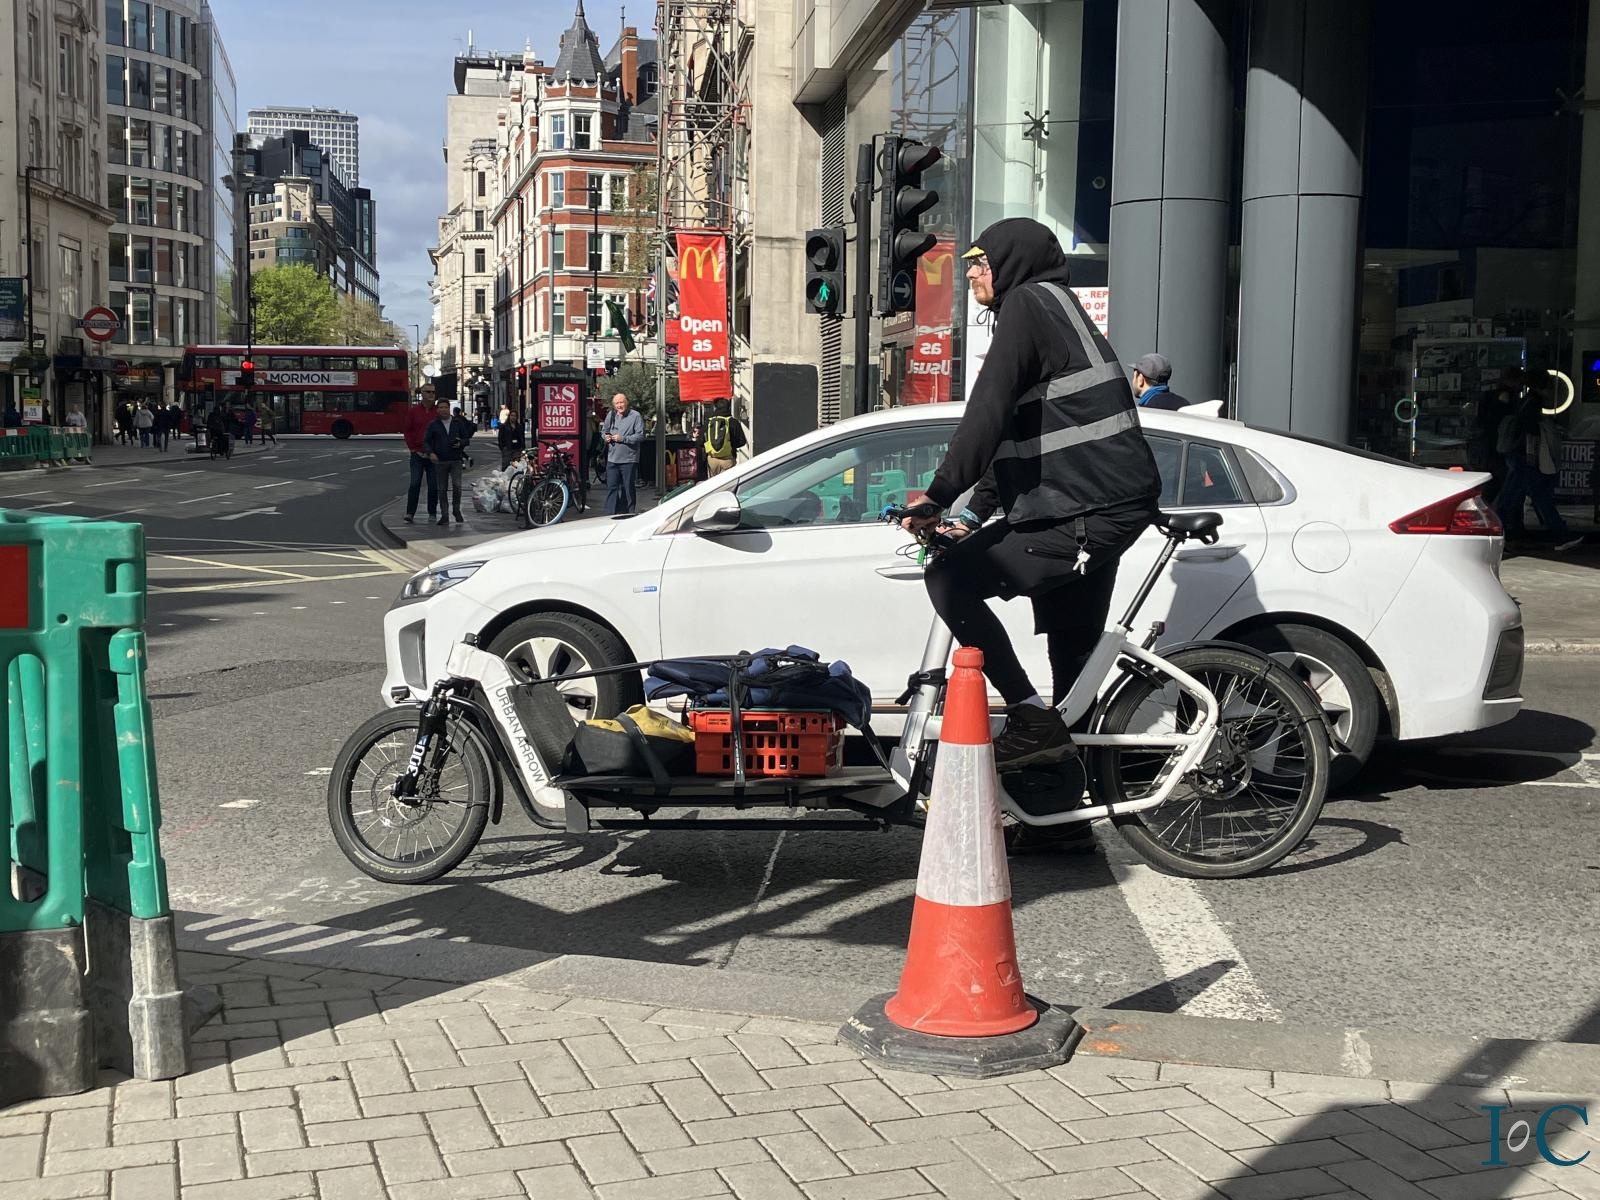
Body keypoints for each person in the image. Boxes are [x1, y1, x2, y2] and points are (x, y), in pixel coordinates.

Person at [902, 217, 1162, 768]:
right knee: (1072, 658)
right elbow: (1015, 439)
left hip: (1084, 509)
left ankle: (1026, 714)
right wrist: (971, 516)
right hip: (1093, 504)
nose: (971, 273)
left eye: (980, 261)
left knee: (948, 578)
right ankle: (1071, 798)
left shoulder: (1028, 303)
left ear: (1011, 263)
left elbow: (987, 411)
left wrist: (937, 494)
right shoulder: (1052, 307)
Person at [426, 401, 476, 525]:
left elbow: (466, 439)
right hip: (440, 460)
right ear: (437, 410)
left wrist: (460, 443)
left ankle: (456, 510)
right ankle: (445, 515)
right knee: (442, 489)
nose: (443, 410)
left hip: (455, 460)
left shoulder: (457, 423)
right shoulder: (433, 424)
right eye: (441, 407)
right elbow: (426, 441)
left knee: (457, 486)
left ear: (449, 408)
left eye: (445, 407)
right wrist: (430, 453)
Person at [601, 392, 645, 515]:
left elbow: (641, 436)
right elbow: (604, 431)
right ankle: (611, 515)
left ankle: (628, 513)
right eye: (617, 403)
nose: (619, 405)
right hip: (612, 459)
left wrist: (623, 439)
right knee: (612, 488)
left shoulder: (635, 416)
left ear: (626, 402)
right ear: (614, 405)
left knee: (628, 488)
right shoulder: (611, 415)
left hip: (629, 460)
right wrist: (606, 437)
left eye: (621, 402)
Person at [403, 388, 440, 524]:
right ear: (422, 394)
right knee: (415, 483)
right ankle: (410, 513)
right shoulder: (413, 411)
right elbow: (407, 431)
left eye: (433, 392)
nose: (431, 394)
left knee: (433, 485)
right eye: (428, 392)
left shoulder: (438, 412)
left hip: (433, 455)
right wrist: (413, 449)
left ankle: (432, 513)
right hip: (417, 454)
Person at [703, 401, 746, 476]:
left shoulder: (708, 422)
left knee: (715, 482)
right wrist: (730, 445)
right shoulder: (733, 422)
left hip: (712, 459)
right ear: (728, 407)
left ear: (715, 408)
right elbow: (742, 441)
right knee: (729, 481)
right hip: (728, 459)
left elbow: (701, 441)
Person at [497, 404, 526, 469]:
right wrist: (502, 447)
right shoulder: (504, 426)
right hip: (507, 448)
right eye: (512, 415)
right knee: (506, 465)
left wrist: (523, 447)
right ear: (509, 416)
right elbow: (500, 438)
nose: (513, 417)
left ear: (517, 417)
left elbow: (522, 437)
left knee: (516, 466)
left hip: (517, 449)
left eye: (515, 416)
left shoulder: (519, 427)